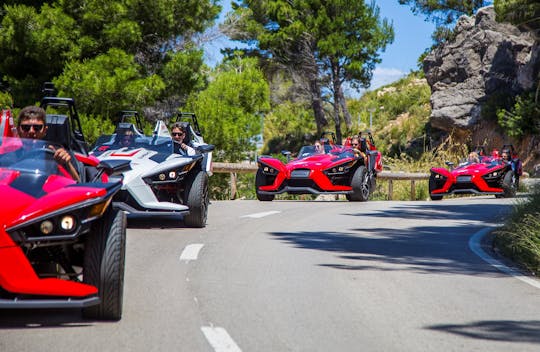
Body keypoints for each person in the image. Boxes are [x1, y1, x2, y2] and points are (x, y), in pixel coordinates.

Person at [17, 106, 78, 180]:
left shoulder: (60, 154)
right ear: (18, 130)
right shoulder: (9, 158)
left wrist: (66, 164)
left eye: (37, 127)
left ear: (45, 131)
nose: (31, 131)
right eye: (26, 127)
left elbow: (78, 182)